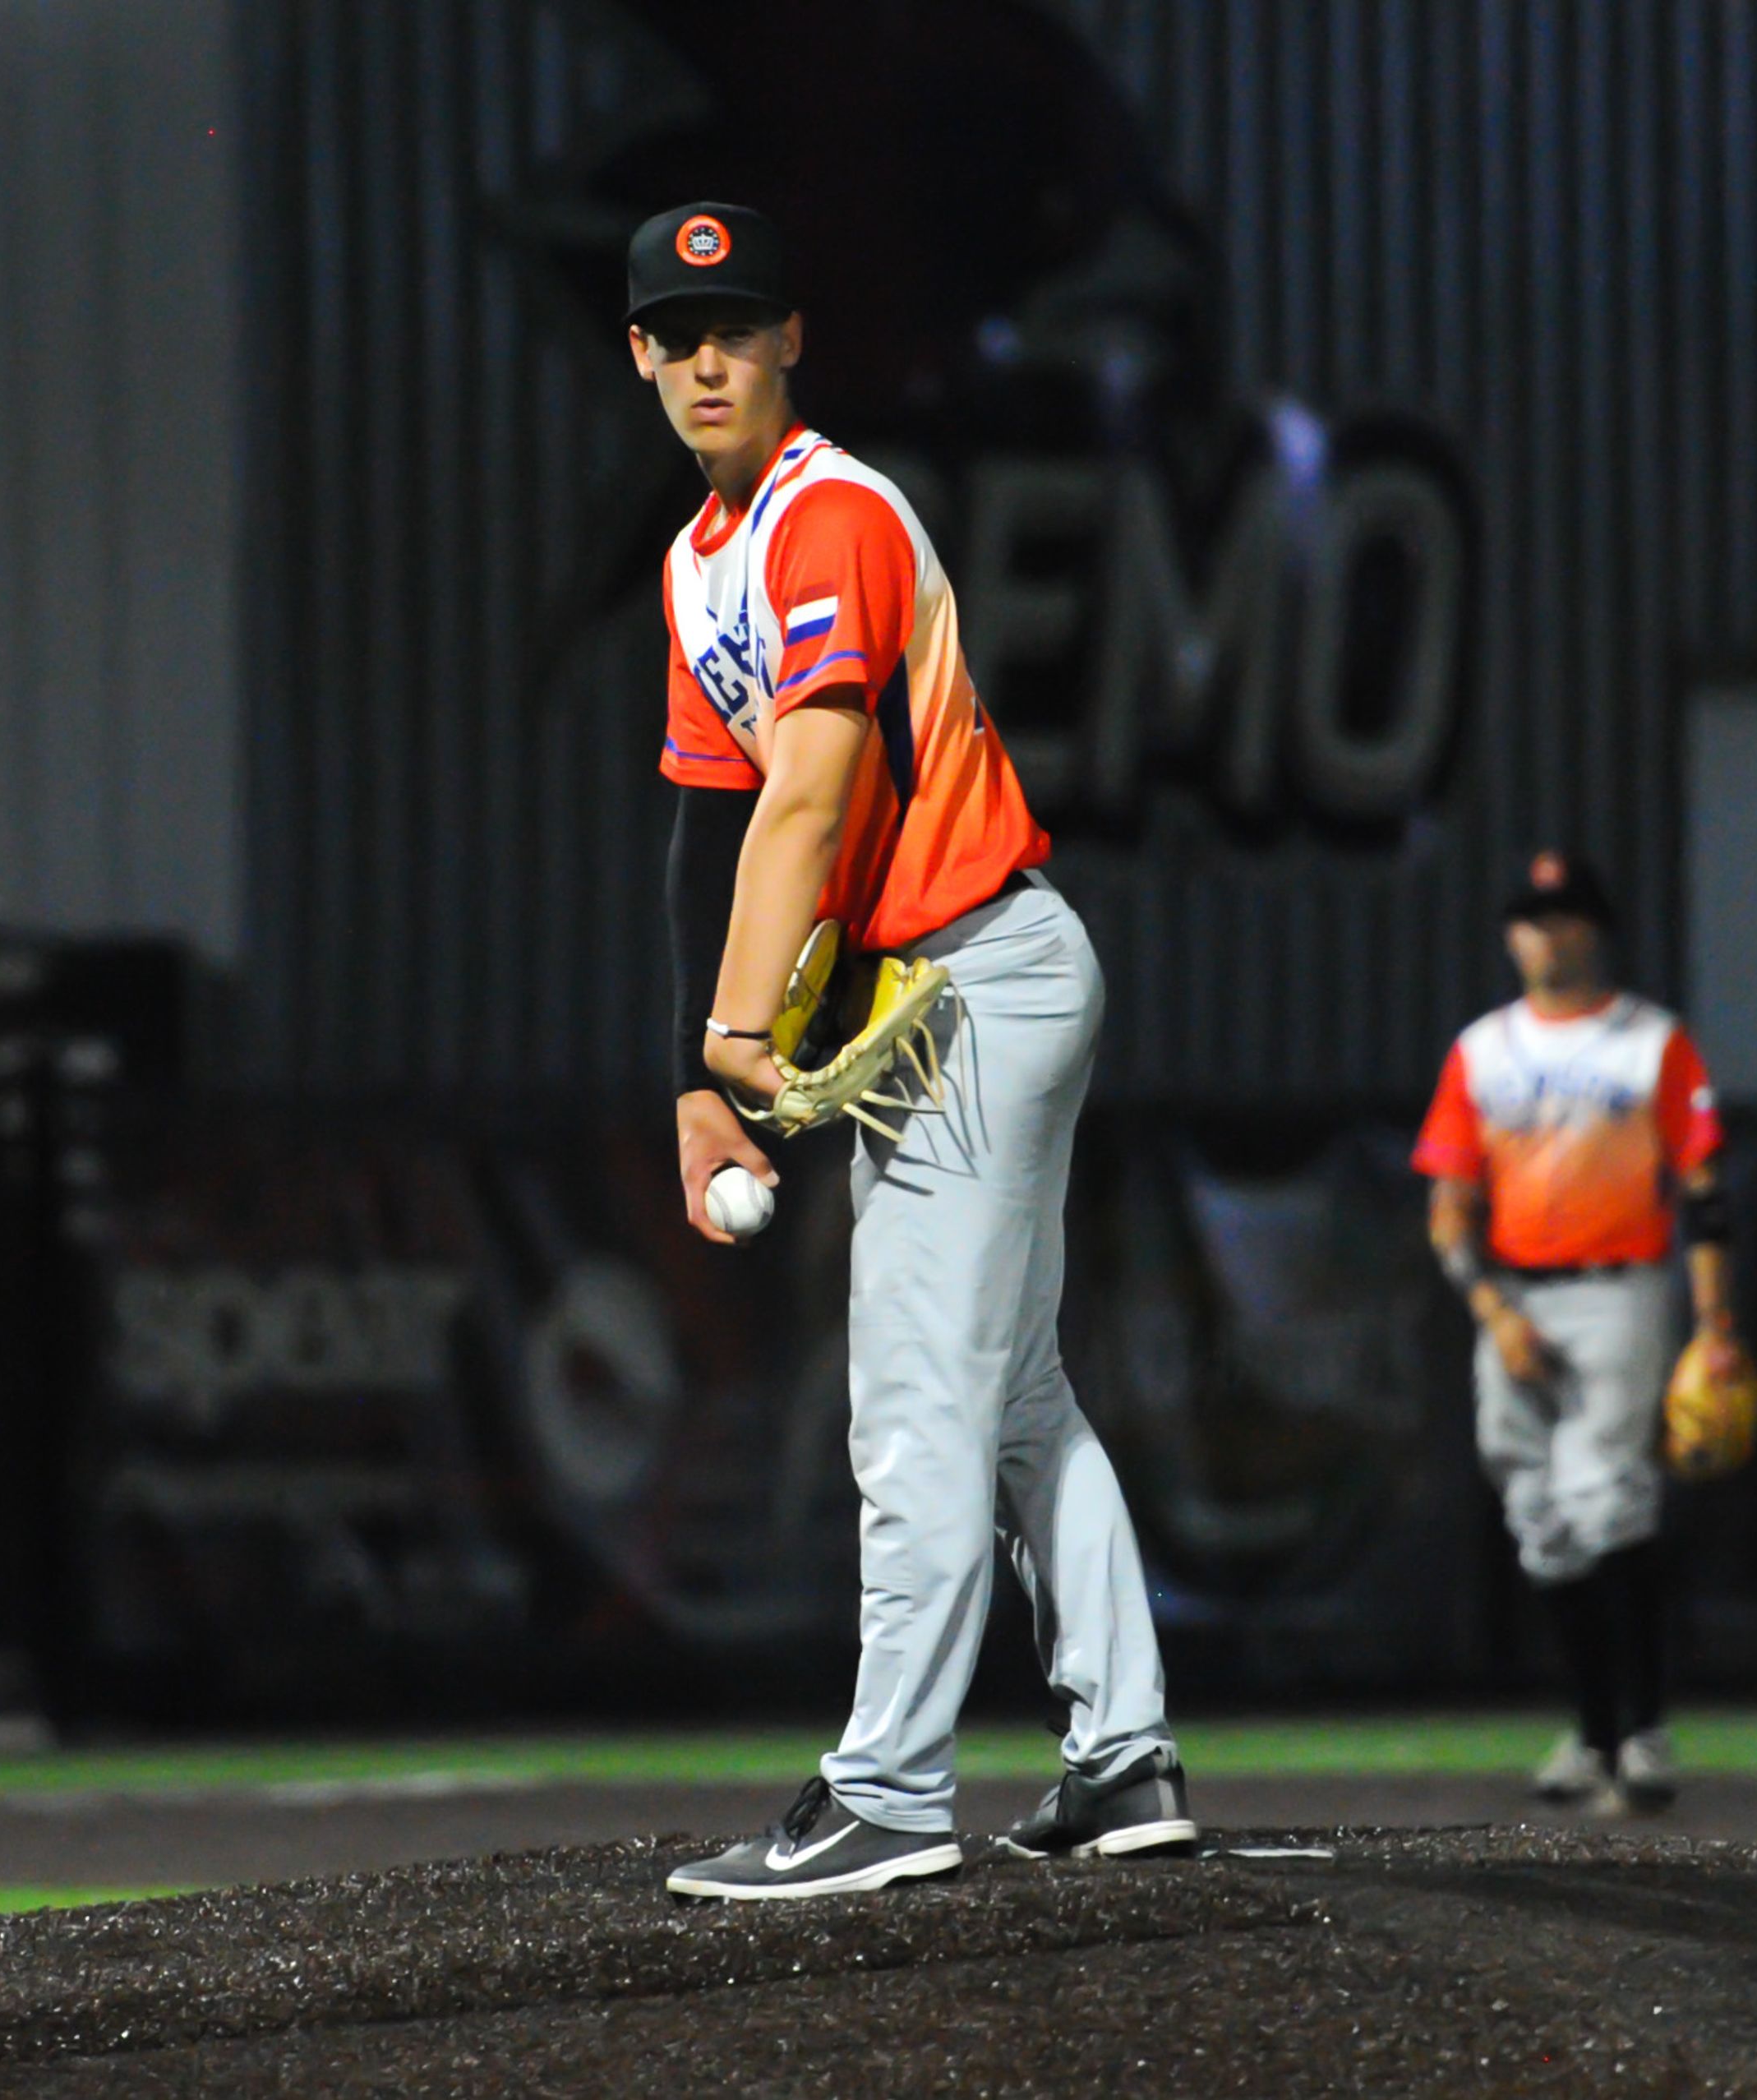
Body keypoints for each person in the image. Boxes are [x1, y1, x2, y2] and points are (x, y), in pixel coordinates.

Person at [634, 203, 1192, 1901]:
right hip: (940, 992)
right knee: (1014, 1392)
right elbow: (702, 819)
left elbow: (809, 789)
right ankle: (1120, 1756)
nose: (712, 354)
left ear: (793, 336)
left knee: (917, 1399)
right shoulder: (697, 561)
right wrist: (689, 1074)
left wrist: (738, 1055)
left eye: (740, 321)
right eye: (680, 327)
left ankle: (886, 1787)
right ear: (642, 355)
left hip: (972, 976)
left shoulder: (833, 515)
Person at [1413, 851, 1741, 1816]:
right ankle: (1597, 1729)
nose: (1546, 932)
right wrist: (1494, 1310)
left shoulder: (1650, 1043)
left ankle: (1641, 1733)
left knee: (1607, 1498)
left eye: (1563, 914)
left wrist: (1714, 1326)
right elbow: (1449, 1204)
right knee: (1539, 1516)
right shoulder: (1483, 1049)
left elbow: (1707, 1194)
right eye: (1532, 915)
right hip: (1514, 1292)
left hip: (1620, 1289)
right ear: (1512, 932)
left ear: (1593, 927)